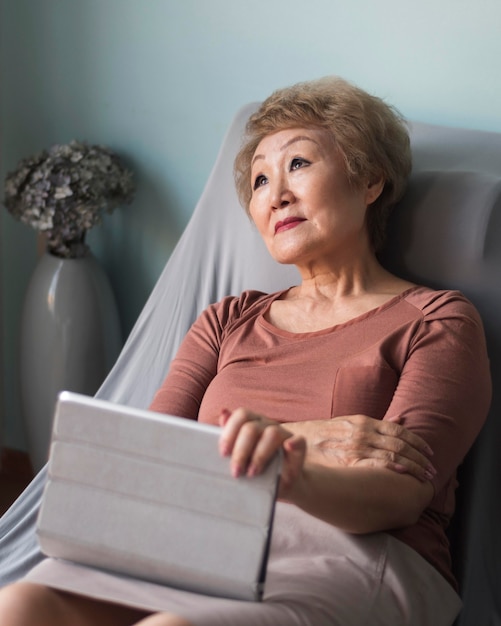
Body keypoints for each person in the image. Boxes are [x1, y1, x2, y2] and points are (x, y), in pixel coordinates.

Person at [0, 76, 491, 625]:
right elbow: (152, 460)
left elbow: (400, 496)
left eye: (298, 164)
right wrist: (297, 441)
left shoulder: (438, 320)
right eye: (260, 179)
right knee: (20, 604)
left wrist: (288, 470)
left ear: (370, 179)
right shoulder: (227, 320)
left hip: (357, 551)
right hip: (200, 538)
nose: (275, 193)